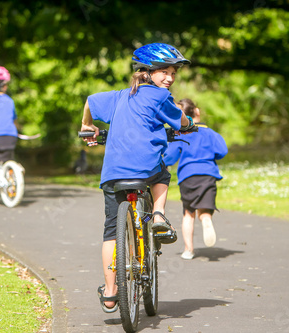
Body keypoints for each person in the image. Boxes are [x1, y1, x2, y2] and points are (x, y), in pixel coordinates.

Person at [80, 43, 195, 313]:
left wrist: (87, 126)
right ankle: (157, 215)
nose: (169, 78)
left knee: (111, 231)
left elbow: (90, 101)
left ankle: (110, 294)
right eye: (164, 72)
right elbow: (180, 121)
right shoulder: (160, 97)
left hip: (113, 173)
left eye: (173, 73)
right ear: (148, 72)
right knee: (163, 174)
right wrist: (189, 125)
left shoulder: (120, 96)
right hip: (146, 169)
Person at [163, 98, 228, 260]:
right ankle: (206, 220)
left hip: (187, 176)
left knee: (188, 213)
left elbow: (170, 157)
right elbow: (222, 150)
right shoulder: (210, 133)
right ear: (197, 112)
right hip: (208, 174)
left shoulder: (181, 133)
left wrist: (163, 162)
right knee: (205, 211)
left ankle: (188, 250)